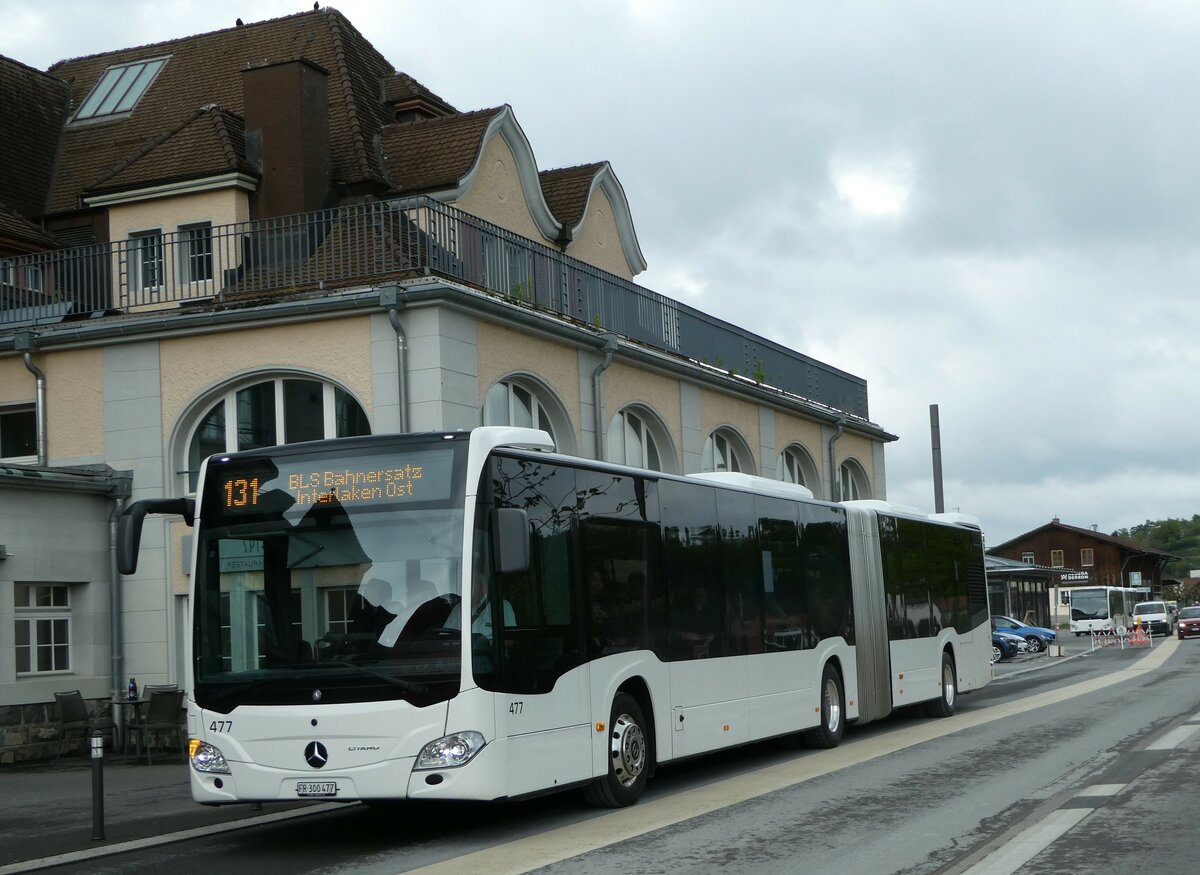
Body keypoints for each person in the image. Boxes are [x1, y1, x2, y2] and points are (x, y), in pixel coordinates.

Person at [446, 571, 515, 639]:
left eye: (472, 583)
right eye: (464, 583)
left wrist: (490, 644)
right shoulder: (458, 609)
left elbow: (510, 639)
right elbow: (446, 637)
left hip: (491, 649)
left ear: (483, 585)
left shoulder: (502, 606)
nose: (465, 587)